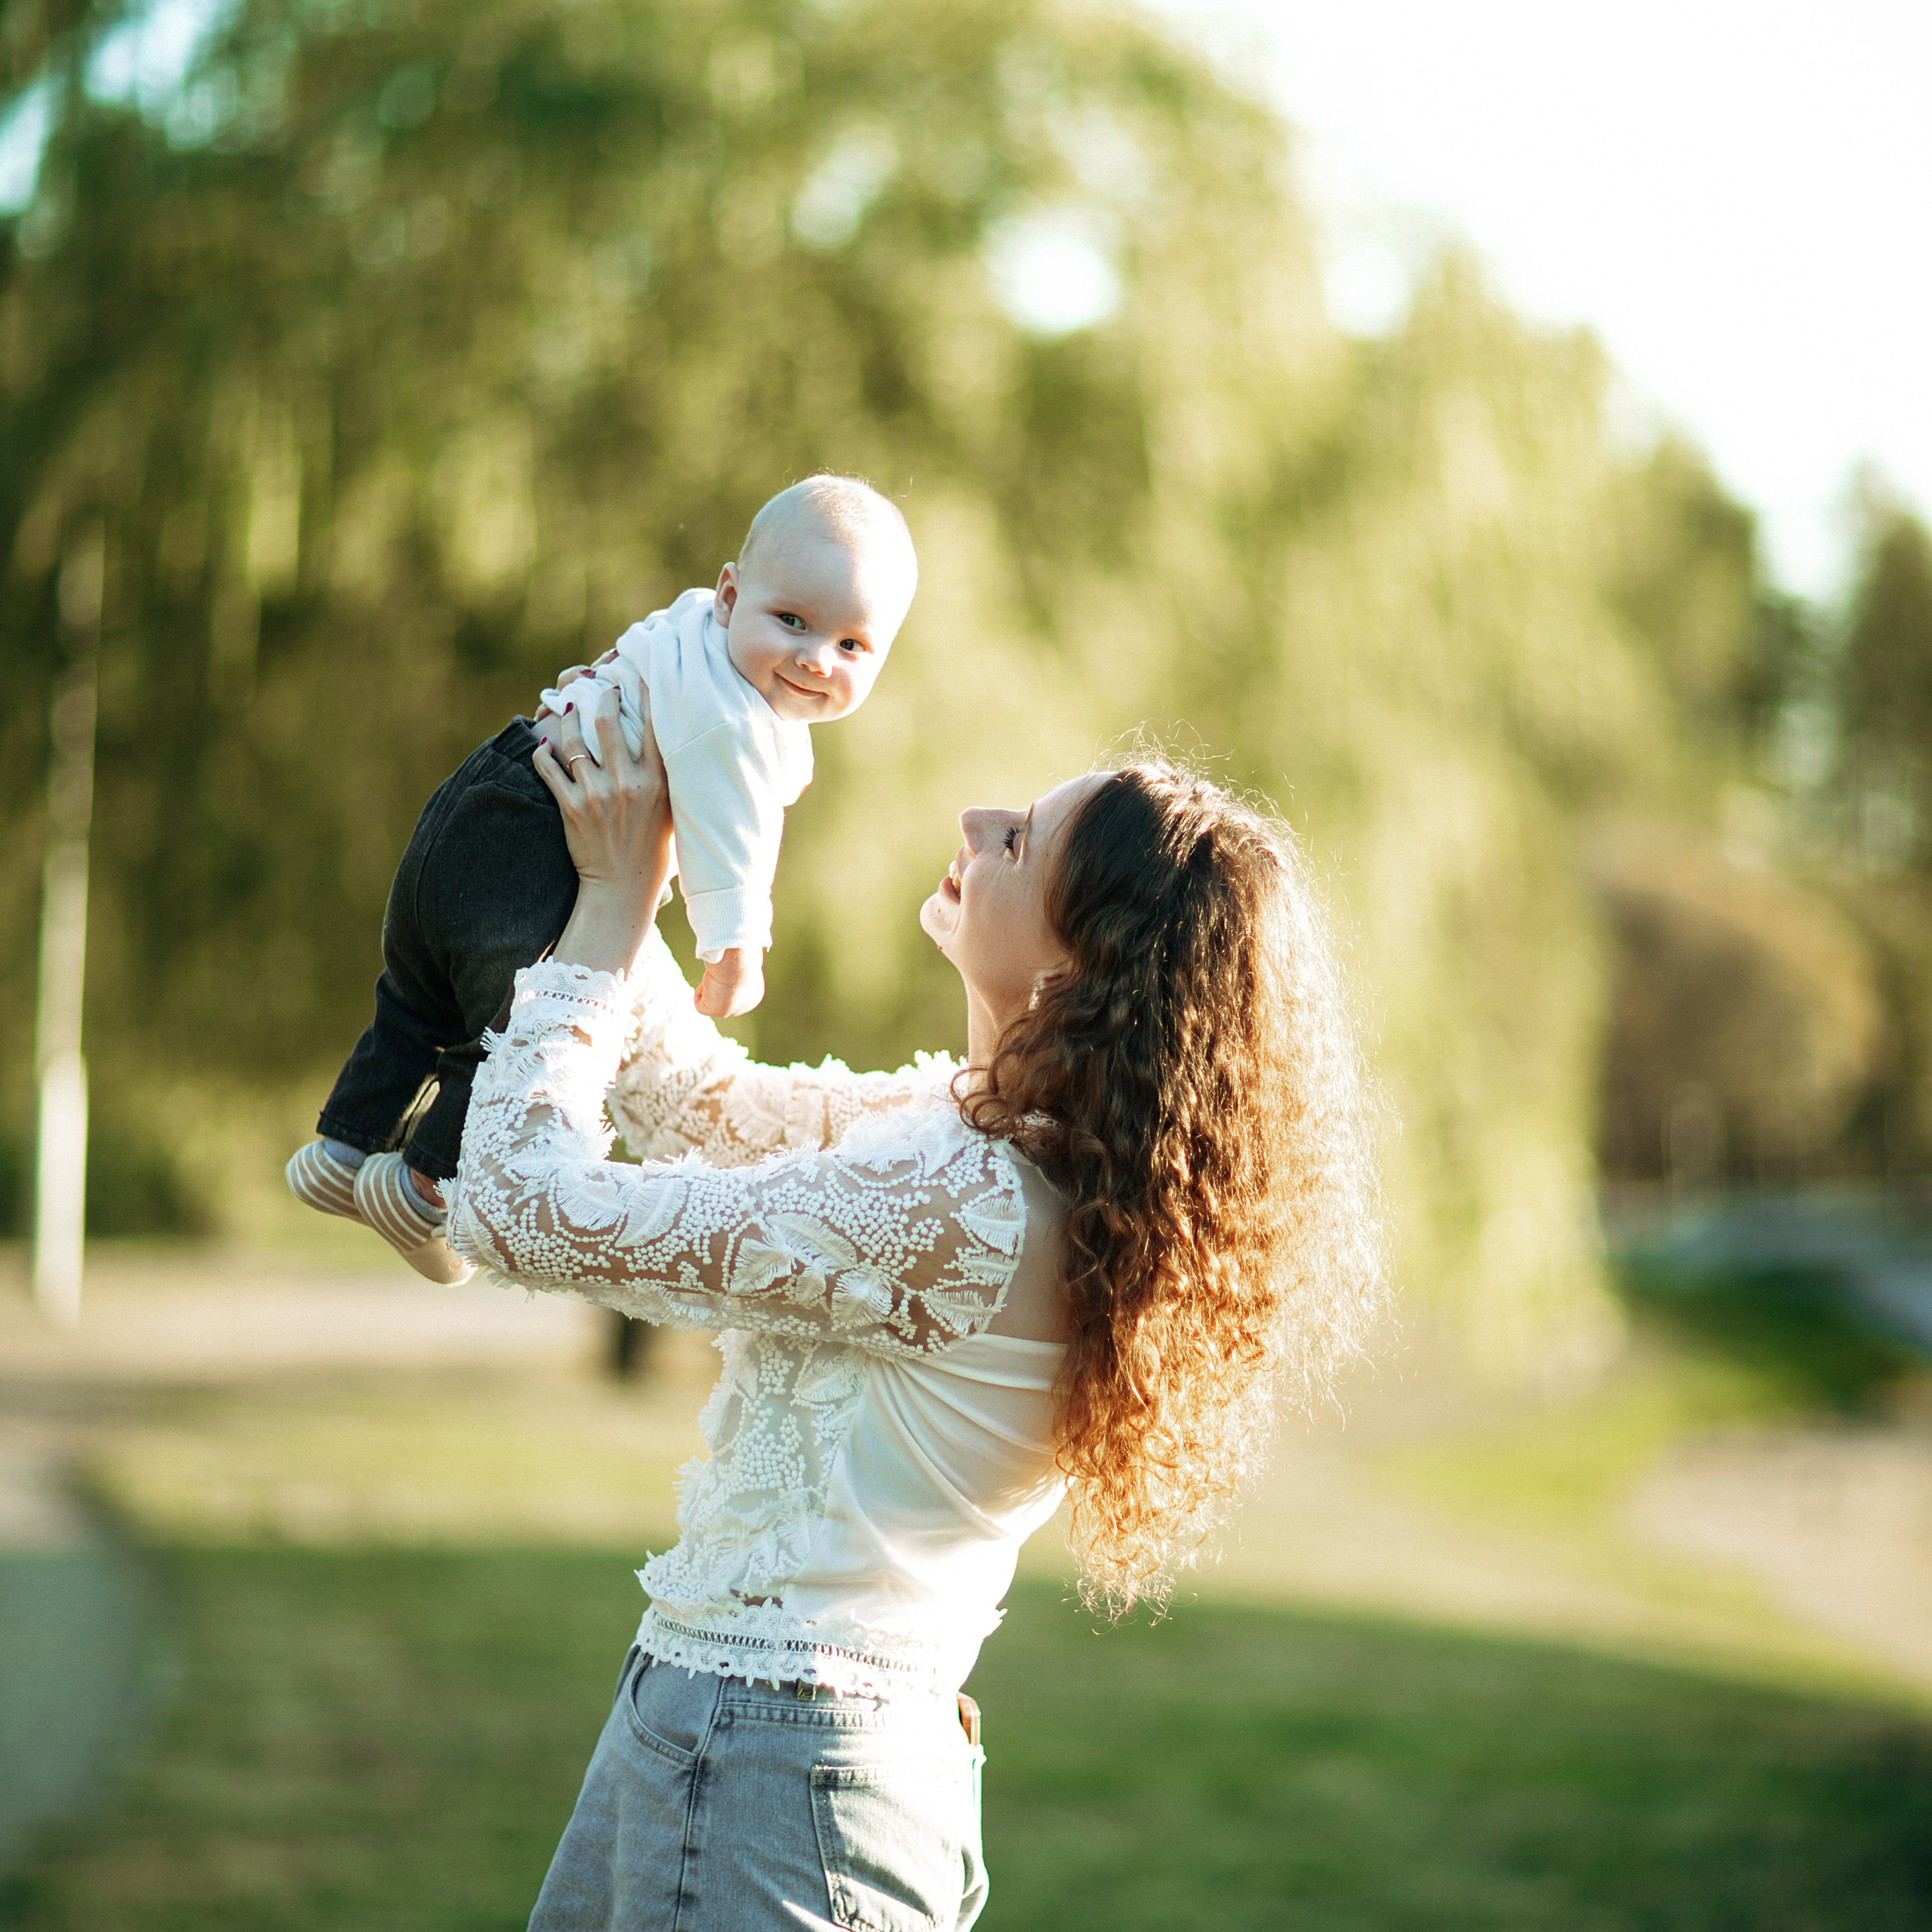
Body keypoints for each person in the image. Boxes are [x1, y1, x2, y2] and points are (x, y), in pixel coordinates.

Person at [448, 691, 1383, 1930]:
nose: (975, 819)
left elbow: (525, 1211)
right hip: (749, 1747)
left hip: (774, 1782)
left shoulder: (967, 1201)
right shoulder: (986, 1149)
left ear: (1074, 964)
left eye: (1020, 842)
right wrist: (631, 857)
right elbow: (694, 1105)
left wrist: (616, 906)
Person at [283, 475, 917, 1283]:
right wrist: (734, 945)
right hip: (540, 843)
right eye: (790, 621)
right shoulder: (734, 719)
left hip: (487, 787)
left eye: (851, 646)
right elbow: (731, 836)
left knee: (415, 994)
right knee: (505, 1028)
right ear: (731, 595)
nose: (813, 657)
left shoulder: (690, 626)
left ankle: (344, 1145)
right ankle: (424, 1185)